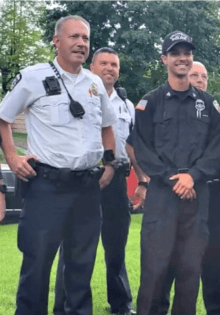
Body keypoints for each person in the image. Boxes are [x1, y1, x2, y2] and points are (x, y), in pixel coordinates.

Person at [0, 15, 117, 315]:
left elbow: (107, 126)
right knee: (36, 265)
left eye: (86, 39)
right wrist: (12, 158)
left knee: (81, 268)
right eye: (74, 37)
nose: (81, 43)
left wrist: (109, 163)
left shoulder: (94, 83)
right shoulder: (33, 76)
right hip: (46, 188)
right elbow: (3, 118)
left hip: (87, 189)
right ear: (56, 40)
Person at [131, 31, 220, 315]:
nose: (182, 58)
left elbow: (216, 146)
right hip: (163, 194)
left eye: (187, 52)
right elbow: (142, 148)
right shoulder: (149, 103)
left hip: (198, 194)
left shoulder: (209, 104)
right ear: (165, 59)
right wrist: (174, 179)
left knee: (190, 267)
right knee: (155, 266)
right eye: (176, 53)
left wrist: (193, 176)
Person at [53, 47, 136, 315]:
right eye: (104, 63)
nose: (109, 68)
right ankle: (65, 306)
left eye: (114, 64)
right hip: (85, 179)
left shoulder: (126, 104)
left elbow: (132, 146)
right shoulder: (77, 93)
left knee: (116, 247)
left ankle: (121, 304)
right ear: (92, 66)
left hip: (117, 181)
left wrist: (142, 180)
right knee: (73, 247)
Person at [157, 61, 220, 315]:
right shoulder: (164, 108)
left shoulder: (219, 113)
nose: (200, 80)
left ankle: (218, 310)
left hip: (211, 193)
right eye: (195, 75)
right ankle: (159, 308)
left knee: (213, 255)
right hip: (176, 194)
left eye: (204, 76)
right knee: (169, 257)